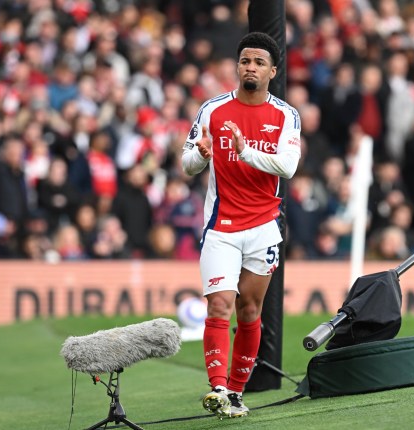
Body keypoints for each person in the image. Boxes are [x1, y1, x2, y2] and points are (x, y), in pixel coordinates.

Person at [181, 32, 301, 419]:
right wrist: (201, 156)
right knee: (220, 304)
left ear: (272, 71)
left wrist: (245, 150)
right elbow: (187, 163)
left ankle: (235, 392)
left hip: (264, 226)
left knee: (250, 310)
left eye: (259, 63)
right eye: (245, 61)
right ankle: (217, 388)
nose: (250, 67)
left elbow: (287, 166)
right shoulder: (212, 110)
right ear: (237, 66)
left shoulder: (286, 115)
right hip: (221, 226)